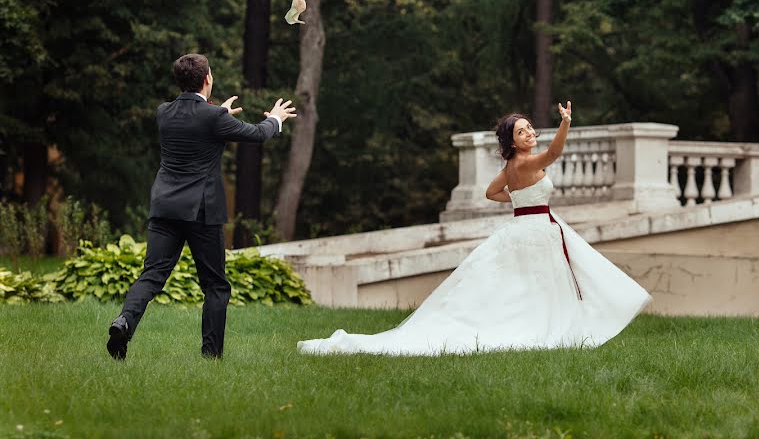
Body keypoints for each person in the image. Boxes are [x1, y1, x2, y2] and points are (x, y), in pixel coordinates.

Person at [297, 101, 651, 355]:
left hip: (525, 227)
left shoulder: (512, 166)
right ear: (513, 142)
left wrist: (517, 201)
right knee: (538, 286)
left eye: (529, 128)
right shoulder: (527, 162)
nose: (528, 133)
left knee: (524, 286)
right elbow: (554, 155)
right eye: (522, 131)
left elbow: (491, 192)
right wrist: (566, 124)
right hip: (536, 230)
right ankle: (539, 330)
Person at [106, 53, 297, 360]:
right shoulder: (214, 118)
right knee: (215, 286)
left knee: (152, 275)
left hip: (165, 207)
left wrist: (216, 113)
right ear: (208, 79)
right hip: (201, 212)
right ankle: (211, 355)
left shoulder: (164, 112)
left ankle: (124, 321)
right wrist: (275, 117)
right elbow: (257, 134)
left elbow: (194, 122)